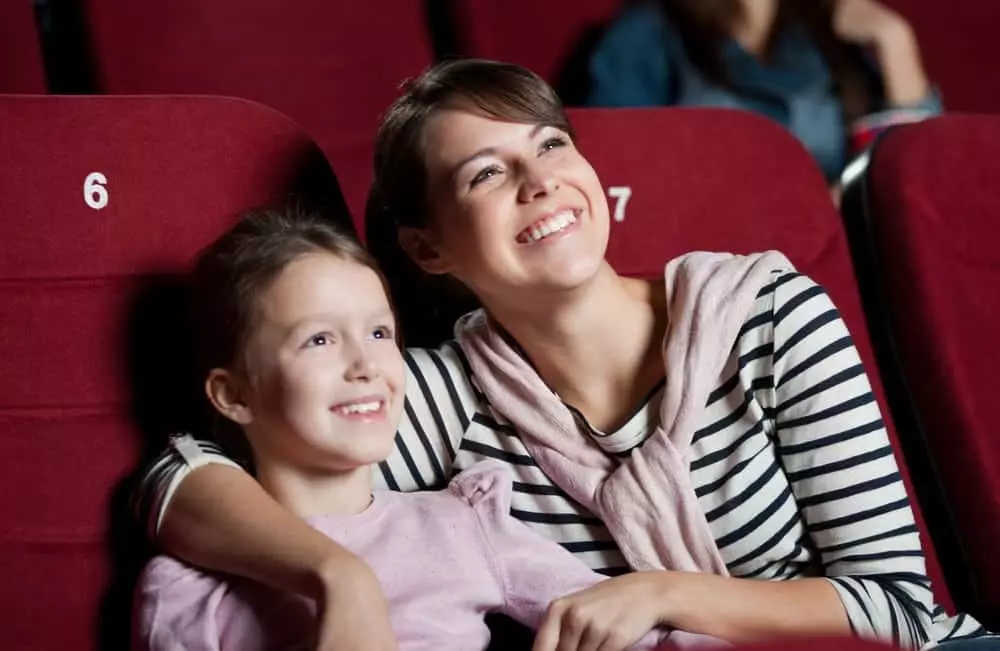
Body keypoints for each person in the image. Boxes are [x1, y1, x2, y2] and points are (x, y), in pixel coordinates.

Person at [134, 59, 991, 651]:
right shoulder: (436, 393)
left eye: (549, 145)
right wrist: (336, 574)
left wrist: (660, 590)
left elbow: (898, 610)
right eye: (485, 174)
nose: (540, 181)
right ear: (429, 251)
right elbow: (183, 472)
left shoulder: (766, 315)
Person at [133, 207, 716, 650]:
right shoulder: (188, 586)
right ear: (234, 395)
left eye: (380, 333)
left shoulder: (460, 525)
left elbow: (644, 633)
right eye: (319, 339)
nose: (365, 365)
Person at [586, 0, 941, 186]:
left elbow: (919, 175)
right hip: (718, 261)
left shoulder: (828, 28)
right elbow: (618, 176)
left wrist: (895, 41)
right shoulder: (646, 35)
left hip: (843, 253)